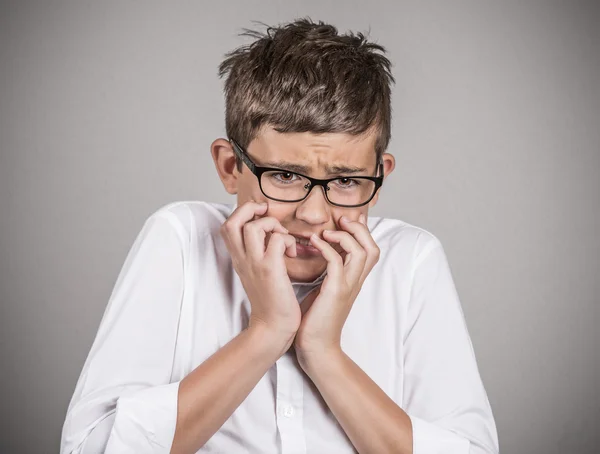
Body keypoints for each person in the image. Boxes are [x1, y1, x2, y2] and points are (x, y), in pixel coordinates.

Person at [60, 18, 499, 454]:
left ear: (379, 176)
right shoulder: (180, 239)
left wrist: (323, 352)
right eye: (286, 176)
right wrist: (268, 331)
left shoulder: (411, 261)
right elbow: (90, 448)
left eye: (346, 182)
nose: (312, 214)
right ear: (230, 167)